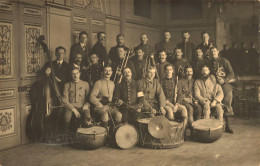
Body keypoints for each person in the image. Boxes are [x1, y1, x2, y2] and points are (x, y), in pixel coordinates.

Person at [210, 46, 235, 133]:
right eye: (211, 52)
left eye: (214, 51)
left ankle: (228, 126)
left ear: (218, 51)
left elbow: (231, 73)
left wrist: (224, 80)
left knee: (227, 105)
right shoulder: (209, 62)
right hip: (214, 87)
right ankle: (216, 127)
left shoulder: (224, 61)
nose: (213, 53)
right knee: (215, 105)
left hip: (225, 86)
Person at [160, 64, 188, 129]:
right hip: (165, 103)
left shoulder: (176, 81)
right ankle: (170, 132)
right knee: (170, 111)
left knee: (184, 109)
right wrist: (170, 104)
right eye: (167, 70)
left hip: (175, 103)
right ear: (164, 71)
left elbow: (180, 94)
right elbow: (161, 95)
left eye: (170, 70)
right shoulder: (161, 82)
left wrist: (177, 105)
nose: (168, 71)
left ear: (172, 71)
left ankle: (182, 132)